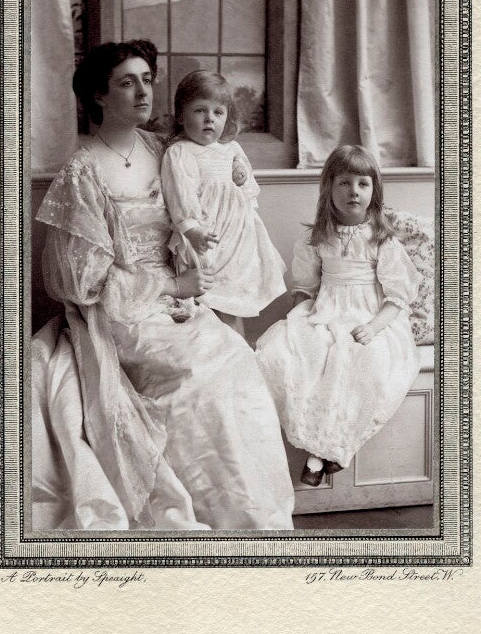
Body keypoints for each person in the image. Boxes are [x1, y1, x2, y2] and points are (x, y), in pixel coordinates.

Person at [32, 39, 295, 530]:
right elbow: (81, 280)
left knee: (237, 359)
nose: (142, 92)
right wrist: (171, 287)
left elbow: (212, 198)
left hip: (185, 300)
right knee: (195, 373)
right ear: (97, 96)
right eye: (126, 83)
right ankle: (211, 519)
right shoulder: (81, 171)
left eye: (147, 80)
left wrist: (236, 176)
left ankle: (253, 519)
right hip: (124, 311)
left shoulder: (168, 149)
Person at [255, 145, 420, 487]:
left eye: (363, 183)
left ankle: (325, 453)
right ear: (329, 187)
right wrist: (298, 317)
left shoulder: (381, 240)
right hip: (326, 310)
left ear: (374, 191)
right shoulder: (316, 238)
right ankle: (316, 451)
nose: (353, 192)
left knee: (355, 357)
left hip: (371, 315)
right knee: (285, 351)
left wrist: (373, 327)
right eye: (344, 182)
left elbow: (397, 298)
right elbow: (306, 289)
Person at [160, 70, 286, 331]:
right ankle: (216, 352)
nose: (209, 119)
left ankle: (237, 353)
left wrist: (241, 180)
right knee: (208, 300)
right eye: (199, 111)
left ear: (228, 117)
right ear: (181, 116)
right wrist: (191, 230)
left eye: (218, 112)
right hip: (205, 237)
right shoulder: (181, 152)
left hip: (237, 239)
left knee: (234, 299)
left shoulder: (231, 149)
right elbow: (179, 196)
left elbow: (249, 192)